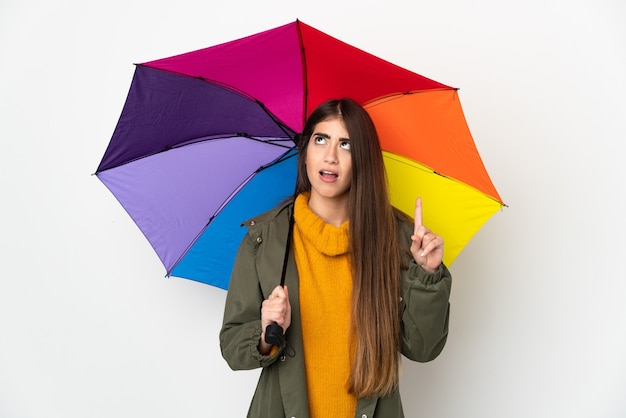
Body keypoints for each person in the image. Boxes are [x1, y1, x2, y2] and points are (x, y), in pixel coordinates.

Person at [220, 98, 452, 418]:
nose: (330, 156)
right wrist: (264, 333)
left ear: (363, 159)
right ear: (305, 152)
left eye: (346, 144)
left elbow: (423, 348)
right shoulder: (264, 239)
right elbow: (233, 348)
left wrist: (427, 275)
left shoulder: (399, 240)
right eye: (320, 139)